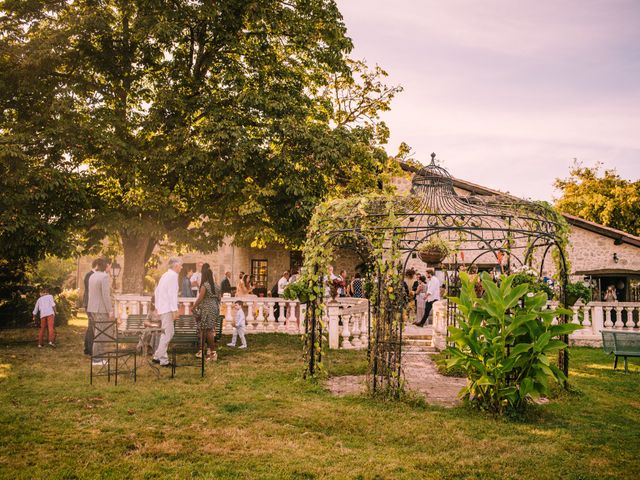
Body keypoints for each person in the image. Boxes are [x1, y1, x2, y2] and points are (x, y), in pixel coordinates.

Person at [153, 257, 182, 367]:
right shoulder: (173, 276)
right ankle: (163, 360)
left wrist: (157, 306)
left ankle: (157, 356)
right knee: (168, 333)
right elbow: (172, 295)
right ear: (175, 266)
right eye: (180, 265)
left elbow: (157, 291)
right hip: (168, 309)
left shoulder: (165, 275)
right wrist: (175, 310)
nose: (182, 267)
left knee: (167, 333)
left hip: (163, 308)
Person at [87, 258, 113, 364]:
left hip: (92, 308)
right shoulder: (104, 277)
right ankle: (97, 359)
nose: (111, 268)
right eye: (110, 266)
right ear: (106, 265)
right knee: (100, 334)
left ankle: (99, 358)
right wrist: (110, 310)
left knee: (97, 333)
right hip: (101, 309)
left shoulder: (92, 276)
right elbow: (105, 296)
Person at [193, 263, 220, 361]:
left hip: (206, 309)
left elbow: (200, 298)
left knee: (207, 331)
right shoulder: (216, 286)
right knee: (207, 330)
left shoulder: (205, 285)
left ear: (204, 276)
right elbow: (219, 299)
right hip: (215, 308)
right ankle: (204, 351)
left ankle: (213, 353)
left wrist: (194, 306)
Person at [83, 259, 99, 355]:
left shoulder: (91, 275)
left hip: (90, 303)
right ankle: (89, 349)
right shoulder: (90, 275)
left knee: (91, 326)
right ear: (96, 265)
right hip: (89, 303)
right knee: (92, 325)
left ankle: (87, 348)